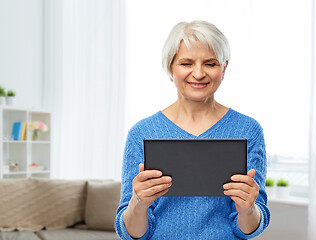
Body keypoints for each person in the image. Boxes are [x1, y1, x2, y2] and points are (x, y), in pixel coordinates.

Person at [115, 20, 270, 239]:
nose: (198, 74)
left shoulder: (248, 130)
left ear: (224, 68)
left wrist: (248, 209)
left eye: (210, 63)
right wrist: (138, 203)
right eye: (186, 63)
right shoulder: (141, 133)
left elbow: (249, 228)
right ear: (170, 67)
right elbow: (131, 233)